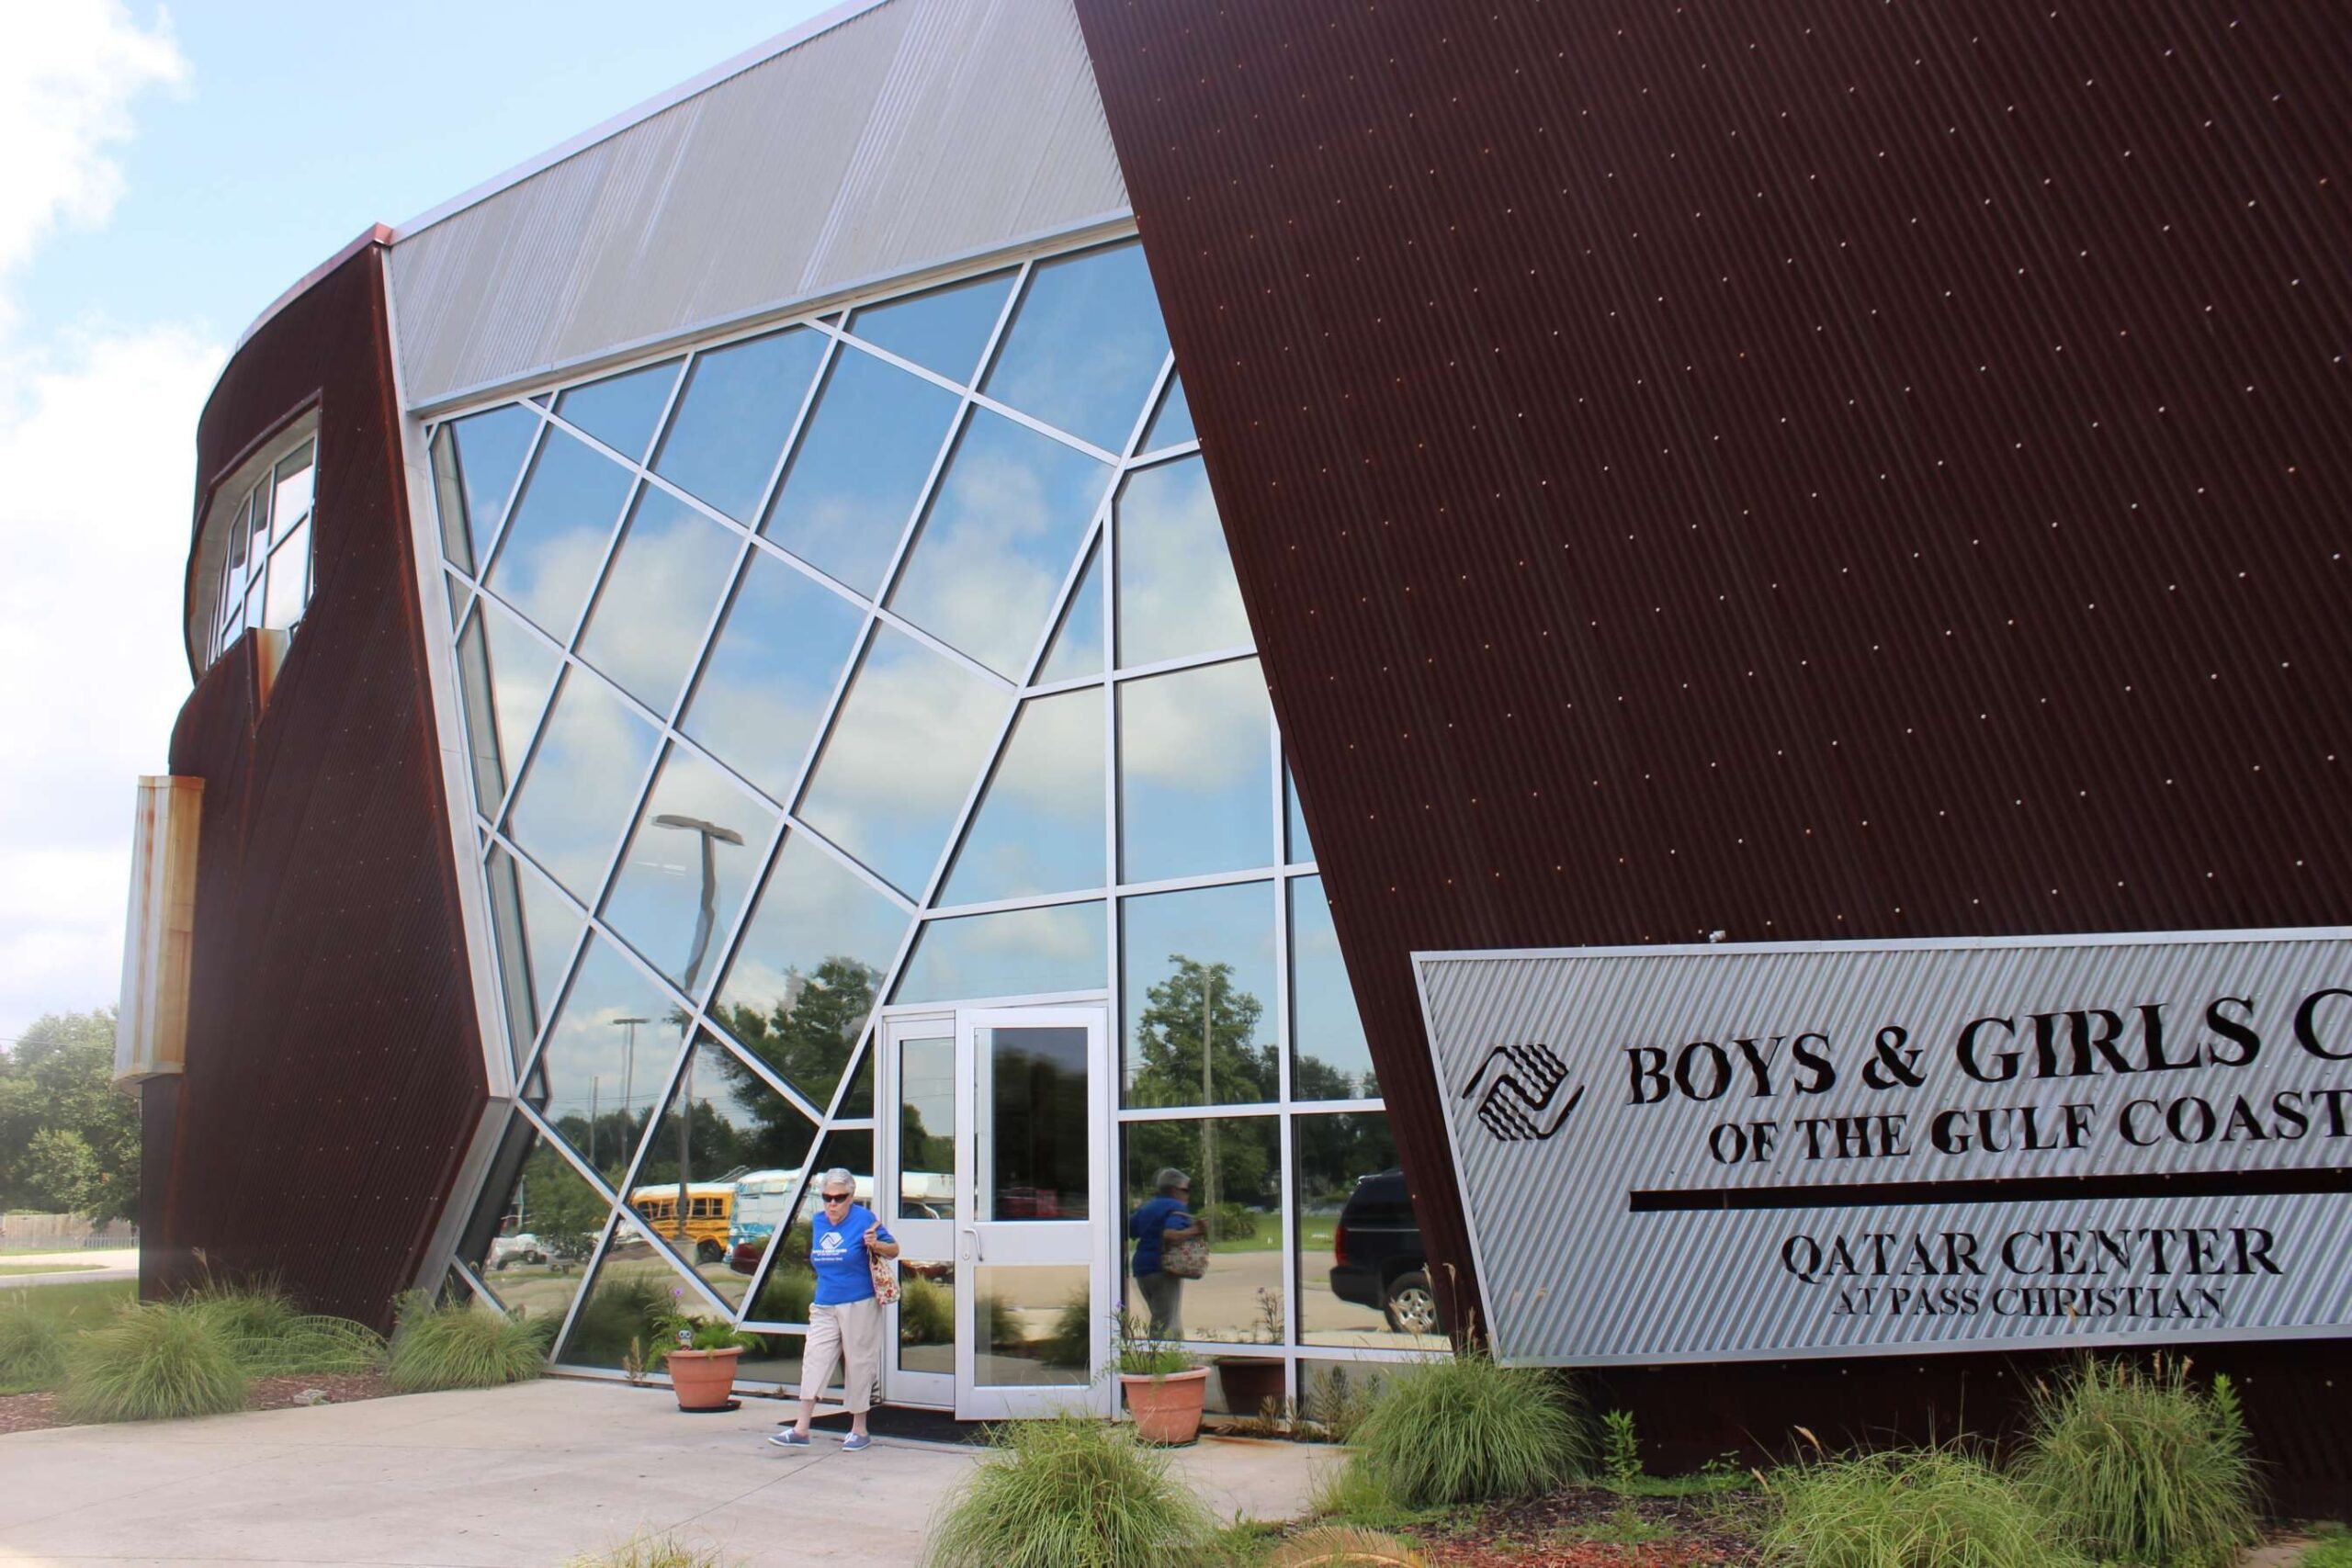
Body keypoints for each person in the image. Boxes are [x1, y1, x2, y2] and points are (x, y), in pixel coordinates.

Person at [768, 1168, 897, 1452]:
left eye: (839, 1198)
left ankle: (859, 1429)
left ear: (851, 1197)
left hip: (859, 1302)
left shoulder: (865, 1219)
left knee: (858, 1362)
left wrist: (876, 1245)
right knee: (814, 1358)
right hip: (825, 1302)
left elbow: (895, 1249)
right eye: (827, 1197)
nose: (832, 1204)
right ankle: (801, 1428)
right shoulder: (818, 1222)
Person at [1126, 1167, 1204, 1342]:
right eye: (1186, 1190)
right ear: (1174, 1190)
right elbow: (1170, 1233)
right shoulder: (1176, 1206)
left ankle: (1173, 1357)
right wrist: (1195, 1230)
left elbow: (1131, 1229)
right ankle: (1163, 1362)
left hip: (1142, 1269)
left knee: (1161, 1315)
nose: (1188, 1195)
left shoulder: (1147, 1207)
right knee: (1166, 1322)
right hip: (1163, 1269)